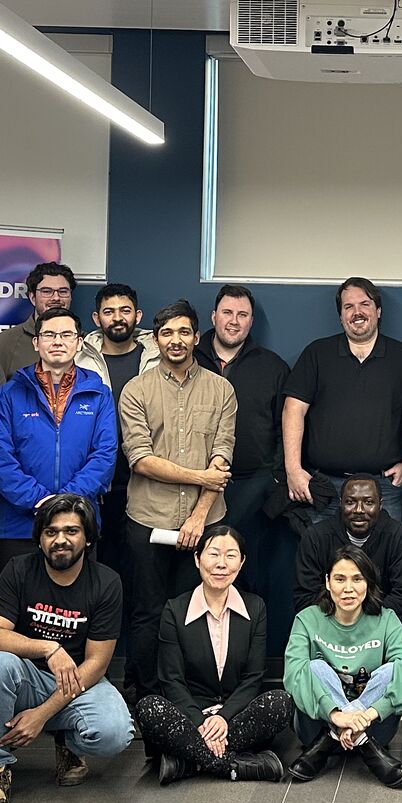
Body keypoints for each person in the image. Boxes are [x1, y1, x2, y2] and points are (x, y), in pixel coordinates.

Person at [0, 496, 132, 803]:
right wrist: (47, 648)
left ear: (87, 537)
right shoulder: (18, 570)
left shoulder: (106, 582)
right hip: (26, 676)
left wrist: (42, 714)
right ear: (39, 539)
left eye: (71, 531)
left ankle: (67, 741)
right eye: (51, 532)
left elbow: (97, 663)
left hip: (78, 679)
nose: (60, 540)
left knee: (115, 732)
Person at [118, 300, 237, 700]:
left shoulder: (221, 389)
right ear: (155, 339)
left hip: (205, 522)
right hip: (149, 519)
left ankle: (191, 695)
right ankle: (145, 694)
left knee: (198, 613)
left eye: (184, 332)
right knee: (148, 611)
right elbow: (141, 460)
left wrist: (198, 517)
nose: (176, 340)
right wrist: (201, 476)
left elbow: (222, 455)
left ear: (196, 337)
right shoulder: (137, 390)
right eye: (167, 333)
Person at [133, 524, 292, 784]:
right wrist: (200, 722)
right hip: (190, 714)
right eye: (213, 554)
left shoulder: (255, 607)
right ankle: (235, 765)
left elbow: (253, 678)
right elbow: (171, 679)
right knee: (149, 708)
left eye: (230, 556)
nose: (221, 564)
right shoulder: (175, 609)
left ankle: (188, 761)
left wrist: (223, 717)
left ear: (241, 563)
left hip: (235, 714)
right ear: (197, 559)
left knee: (280, 702)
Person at [0, 306, 119, 571]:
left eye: (66, 334)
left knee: (75, 607)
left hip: (79, 524)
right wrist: (41, 502)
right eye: (49, 334)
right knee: (15, 606)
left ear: (79, 343)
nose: (57, 341)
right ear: (36, 342)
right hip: (19, 525)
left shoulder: (99, 395)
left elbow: (104, 456)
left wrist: (67, 503)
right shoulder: (7, 395)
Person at [282, 276, 402, 532]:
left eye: (364, 304)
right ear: (340, 316)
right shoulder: (317, 353)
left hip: (383, 489)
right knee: (324, 563)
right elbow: (293, 410)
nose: (357, 312)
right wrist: (293, 469)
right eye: (348, 307)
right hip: (324, 487)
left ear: (378, 311)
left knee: (382, 565)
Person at [284, 545, 402, 788]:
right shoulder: (307, 619)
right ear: (327, 583)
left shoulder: (386, 619)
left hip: (374, 725)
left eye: (357, 579)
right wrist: (335, 713)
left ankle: (336, 737)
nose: (348, 588)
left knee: (393, 670)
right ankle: (362, 744)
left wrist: (363, 715)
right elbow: (294, 675)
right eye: (339, 579)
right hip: (315, 725)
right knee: (314, 668)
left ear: (368, 583)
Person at [194, 284, 289, 582]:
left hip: (251, 486)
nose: (234, 320)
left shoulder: (272, 367)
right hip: (192, 481)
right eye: (227, 312)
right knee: (195, 567)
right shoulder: (189, 360)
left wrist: (273, 476)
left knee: (248, 571)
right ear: (213, 317)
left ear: (251, 321)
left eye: (242, 314)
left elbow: (284, 428)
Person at [293, 475, 402, 657]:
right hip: (331, 618)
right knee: (302, 626)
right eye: (350, 502)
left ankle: (399, 683)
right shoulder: (316, 536)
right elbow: (305, 597)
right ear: (340, 504)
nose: (359, 510)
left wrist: (362, 615)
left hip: (380, 616)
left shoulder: (398, 535)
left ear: (381, 504)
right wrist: (342, 615)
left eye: (369, 502)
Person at [79, 282, 160, 552]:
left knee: (141, 562)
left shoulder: (157, 357)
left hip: (148, 477)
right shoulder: (79, 359)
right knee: (100, 555)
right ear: (96, 318)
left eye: (125, 310)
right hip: (96, 478)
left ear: (137, 316)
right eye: (108, 311)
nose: (117, 318)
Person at [0, 261, 78, 380]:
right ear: (33, 297)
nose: (56, 298)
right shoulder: (7, 342)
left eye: (63, 292)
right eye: (47, 291)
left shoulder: (86, 343)